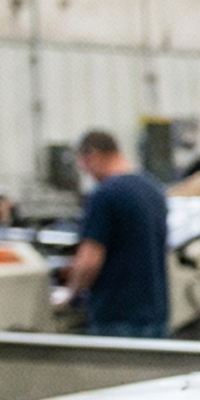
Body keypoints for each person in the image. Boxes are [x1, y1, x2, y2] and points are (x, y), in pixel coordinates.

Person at [65, 129, 169, 338]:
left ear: (92, 155)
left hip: (117, 317)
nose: (86, 172)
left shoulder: (105, 195)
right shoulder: (153, 188)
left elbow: (90, 260)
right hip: (156, 314)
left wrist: (70, 293)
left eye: (82, 164)